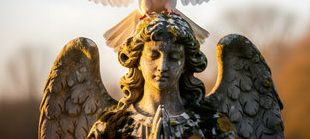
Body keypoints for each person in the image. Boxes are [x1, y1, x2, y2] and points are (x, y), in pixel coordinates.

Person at [87, 13, 237, 139]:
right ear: (137, 59)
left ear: (186, 63)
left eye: (174, 57)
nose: (163, 67)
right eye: (153, 55)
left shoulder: (212, 127)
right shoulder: (109, 129)